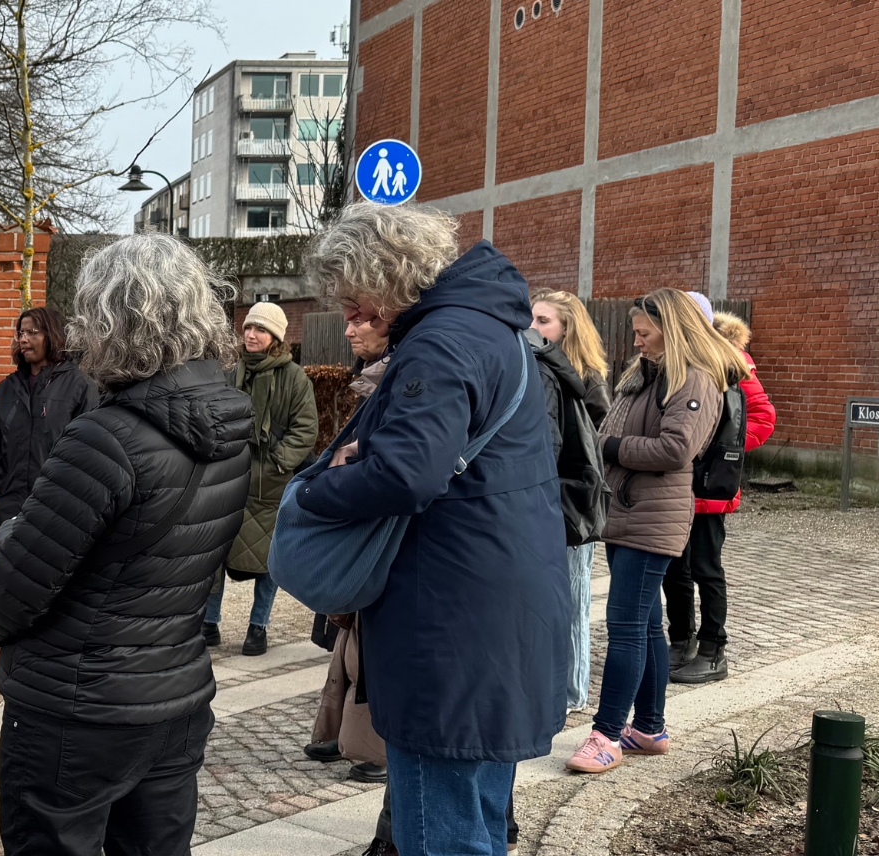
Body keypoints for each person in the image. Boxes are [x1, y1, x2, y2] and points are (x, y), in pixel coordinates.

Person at [299, 203, 569, 856]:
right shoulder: (487, 327)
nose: (349, 316)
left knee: (443, 837)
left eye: (356, 299)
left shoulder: (441, 342)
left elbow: (407, 475)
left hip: (449, 628)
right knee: (475, 826)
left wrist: (317, 495)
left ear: (386, 277)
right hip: (490, 618)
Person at [0, 233, 251, 856]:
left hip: (78, 713)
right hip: (175, 697)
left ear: (110, 320)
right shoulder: (233, 422)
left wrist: (22, 532)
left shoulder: (105, 440)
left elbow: (0, 606)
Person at [567, 289, 746, 776]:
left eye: (644, 332)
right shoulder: (648, 374)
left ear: (672, 328)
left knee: (624, 628)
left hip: (653, 518)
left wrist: (608, 446)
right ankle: (648, 727)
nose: (637, 340)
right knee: (644, 626)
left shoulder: (695, 379)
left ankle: (605, 735)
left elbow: (675, 450)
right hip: (628, 512)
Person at [666, 307, 776, 685]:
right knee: (673, 570)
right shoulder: (678, 361)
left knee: (706, 568)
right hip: (675, 484)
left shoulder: (732, 362)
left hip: (710, 491)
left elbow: (762, 416)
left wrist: (724, 452)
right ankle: (680, 640)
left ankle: (714, 650)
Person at [308, 315, 391, 782]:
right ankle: (343, 733)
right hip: (361, 530)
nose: (349, 330)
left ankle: (372, 748)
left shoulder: (410, 372)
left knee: (368, 648)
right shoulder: (372, 375)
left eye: (362, 318)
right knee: (348, 642)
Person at [207, 301, 317, 656]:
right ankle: (208, 623)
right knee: (215, 553)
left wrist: (278, 464)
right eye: (249, 328)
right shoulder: (230, 371)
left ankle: (259, 626)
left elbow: (305, 428)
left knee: (270, 559)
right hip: (229, 478)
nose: (252, 335)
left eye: (261, 329)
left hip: (270, 484)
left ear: (276, 337)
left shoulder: (294, 377)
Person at [530, 290, 610, 714]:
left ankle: (573, 690)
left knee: (575, 596)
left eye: (544, 320)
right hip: (550, 496)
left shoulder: (588, 377)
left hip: (575, 501)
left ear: (567, 327)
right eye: (532, 319)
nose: (534, 327)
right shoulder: (537, 369)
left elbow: (594, 446)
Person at [0, 306, 100, 546]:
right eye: (20, 333)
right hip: (11, 504)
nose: (23, 339)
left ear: (51, 335)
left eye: (32, 332)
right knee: (6, 576)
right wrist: (1, 487)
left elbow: (91, 448)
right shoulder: (7, 388)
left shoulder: (80, 386)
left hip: (60, 509)